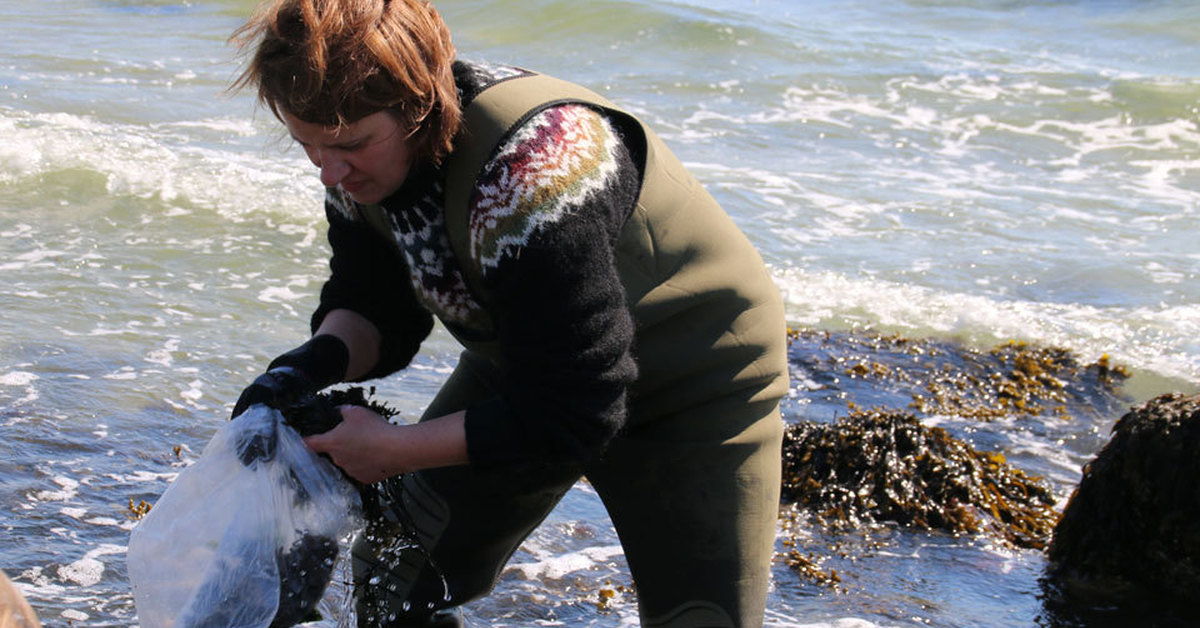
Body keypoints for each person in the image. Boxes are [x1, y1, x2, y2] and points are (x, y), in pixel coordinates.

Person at [228, 1, 788, 626]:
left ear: (419, 106)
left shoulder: (538, 170)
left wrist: (395, 450)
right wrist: (303, 370)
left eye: (351, 145)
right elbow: (374, 305)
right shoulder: (354, 162)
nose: (329, 169)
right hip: (536, 369)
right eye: (308, 145)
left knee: (700, 620)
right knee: (395, 579)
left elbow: (573, 413)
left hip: (696, 385)